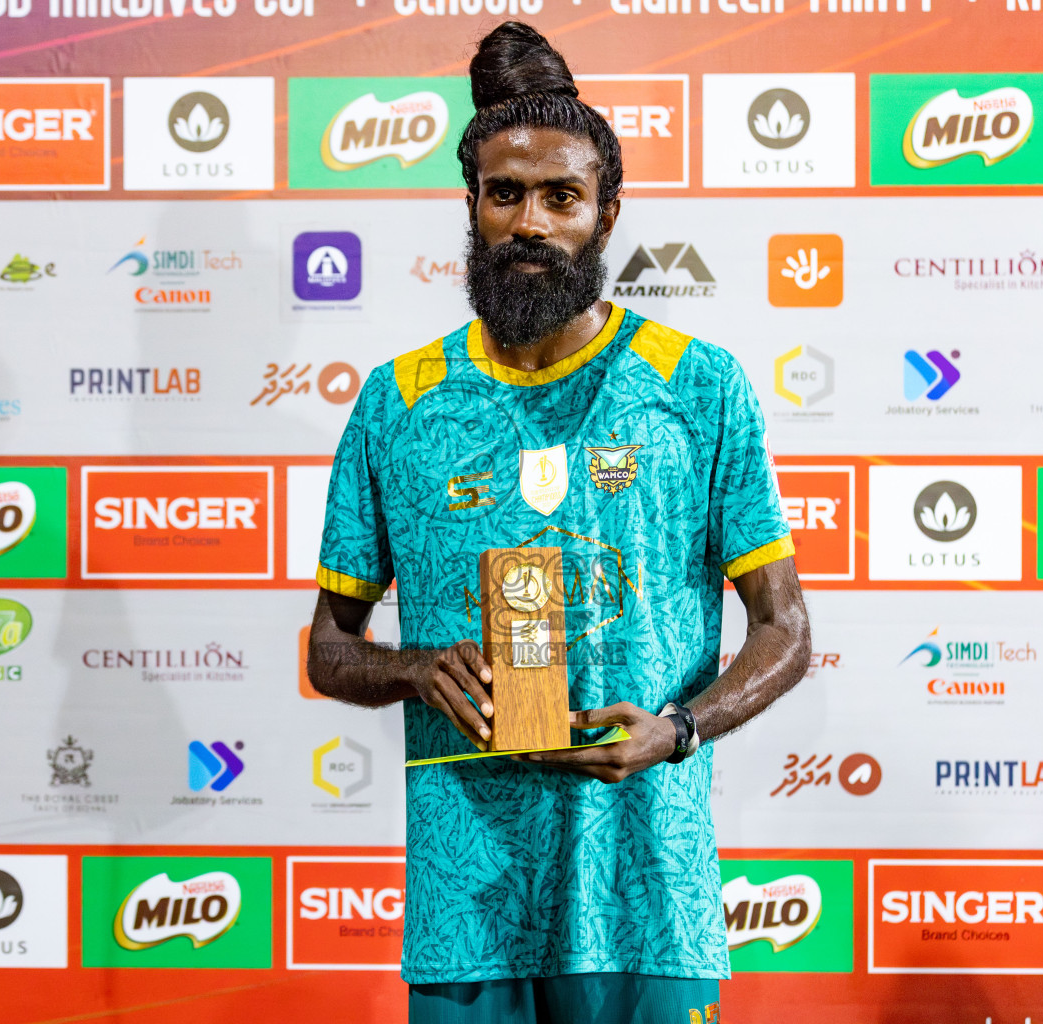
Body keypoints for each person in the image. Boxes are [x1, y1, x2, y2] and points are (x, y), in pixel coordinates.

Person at [306, 21, 812, 1024]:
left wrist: (677, 731)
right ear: (472, 206)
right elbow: (329, 649)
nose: (530, 221)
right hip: (467, 908)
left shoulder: (696, 386)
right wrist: (414, 668)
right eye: (505, 195)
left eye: (561, 197)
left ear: (606, 211)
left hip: (648, 901)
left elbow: (785, 631)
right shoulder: (398, 402)